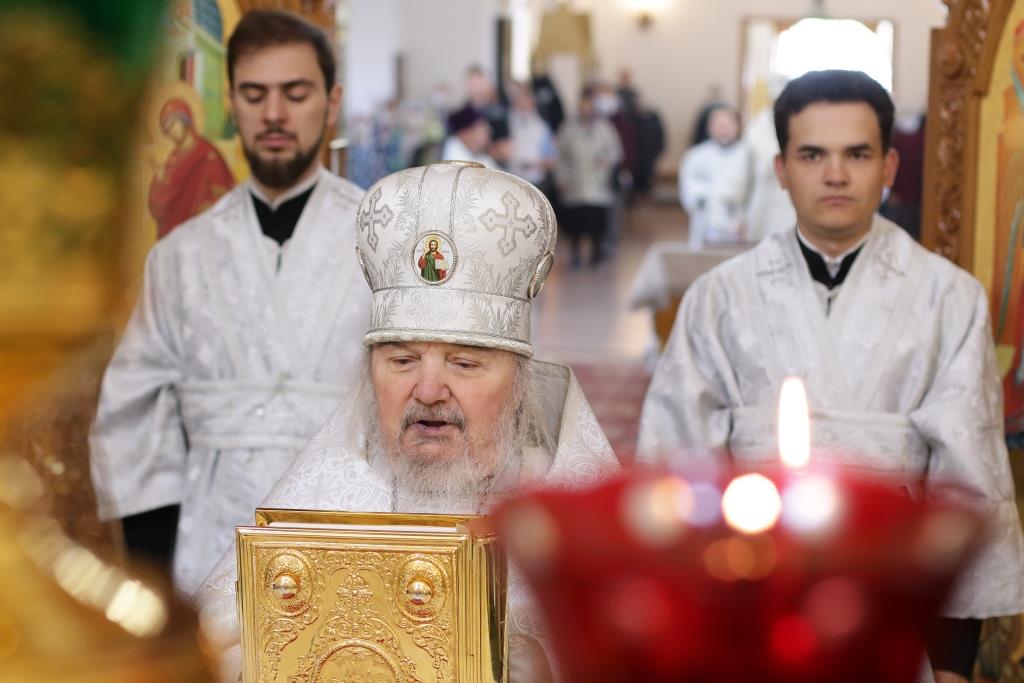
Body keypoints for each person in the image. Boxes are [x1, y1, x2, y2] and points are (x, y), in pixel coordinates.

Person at [638, 70, 1024, 683]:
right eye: (813, 155)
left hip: (896, 611)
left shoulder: (949, 299)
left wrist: (952, 666)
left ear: (890, 165)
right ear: (781, 169)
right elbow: (676, 472)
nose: (836, 174)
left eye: (858, 154)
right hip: (746, 608)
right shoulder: (719, 297)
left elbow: (968, 490)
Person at [195, 160, 620, 682]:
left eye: (464, 364)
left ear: (520, 381)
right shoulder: (326, 492)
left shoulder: (569, 521)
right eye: (401, 360)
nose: (428, 390)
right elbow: (214, 651)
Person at [89, 9, 371, 596]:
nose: (274, 114)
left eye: (296, 93)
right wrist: (152, 571)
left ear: (332, 102)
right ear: (233, 103)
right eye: (254, 94)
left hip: (350, 537)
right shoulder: (181, 256)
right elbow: (135, 419)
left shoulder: (379, 241)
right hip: (210, 541)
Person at [148, 98, 235, 239]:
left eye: (172, 124)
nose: (171, 131)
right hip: (174, 239)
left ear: (185, 120)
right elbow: (158, 210)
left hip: (201, 237)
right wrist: (160, 182)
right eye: (166, 129)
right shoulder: (172, 160)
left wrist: (208, 208)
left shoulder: (208, 155)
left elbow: (226, 198)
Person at [555, 86, 623, 267]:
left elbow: (616, 150)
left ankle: (596, 251)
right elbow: (560, 156)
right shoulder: (568, 129)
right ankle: (575, 252)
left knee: (597, 220)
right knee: (575, 220)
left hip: (598, 183)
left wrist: (606, 160)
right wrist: (561, 178)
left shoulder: (605, 129)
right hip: (575, 182)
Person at [678, 103, 750, 248]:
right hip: (705, 226)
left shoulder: (747, 156)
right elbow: (689, 191)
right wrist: (716, 195)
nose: (723, 129)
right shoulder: (696, 156)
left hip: (738, 227)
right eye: (719, 125)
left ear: (737, 126)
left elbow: (750, 191)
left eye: (727, 124)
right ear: (710, 127)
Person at [507, 81, 557, 189]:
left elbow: (551, 158)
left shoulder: (541, 127)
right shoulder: (507, 123)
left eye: (526, 99)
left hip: (535, 181)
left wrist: (534, 164)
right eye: (519, 99)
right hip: (511, 179)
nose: (523, 103)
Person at [441, 103, 497, 168]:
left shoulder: (481, 155)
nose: (487, 136)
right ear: (465, 134)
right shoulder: (454, 158)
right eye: (482, 132)